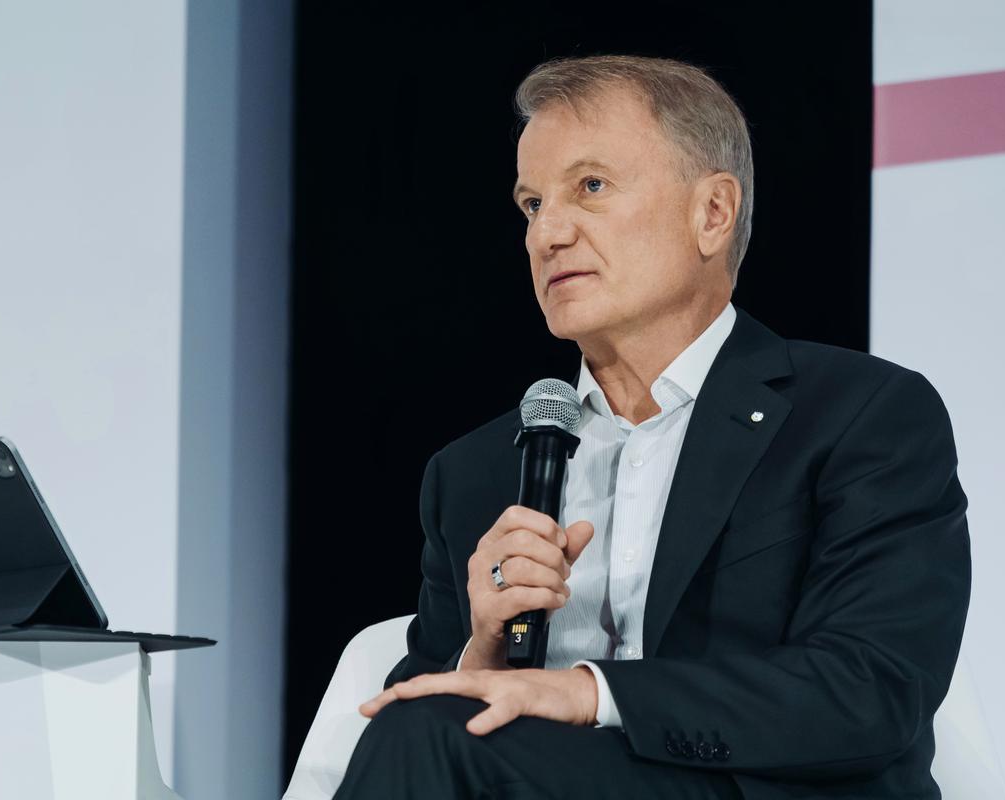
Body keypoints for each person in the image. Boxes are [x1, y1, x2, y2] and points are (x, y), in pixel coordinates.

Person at [333, 55, 970, 800]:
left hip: (759, 786)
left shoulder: (860, 415)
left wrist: (589, 692)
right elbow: (416, 725)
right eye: (531, 204)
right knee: (418, 727)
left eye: (590, 187)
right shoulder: (475, 472)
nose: (547, 235)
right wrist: (483, 654)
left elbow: (870, 689)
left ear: (712, 213)